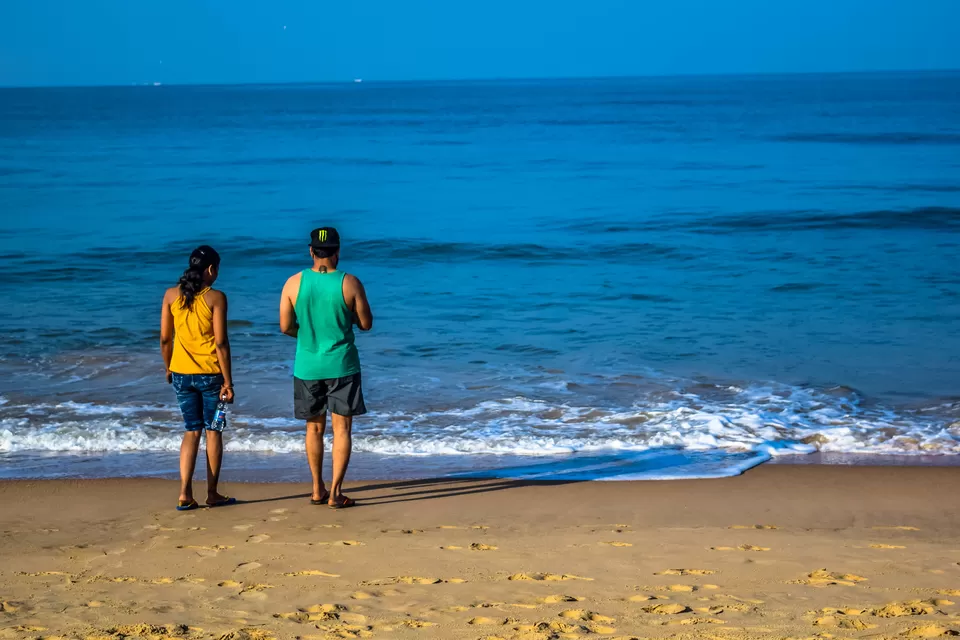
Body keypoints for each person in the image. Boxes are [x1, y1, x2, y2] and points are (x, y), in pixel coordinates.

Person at [280, 227, 373, 509]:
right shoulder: (350, 283)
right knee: (342, 429)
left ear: (311, 251)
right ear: (337, 252)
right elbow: (366, 323)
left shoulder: (293, 283)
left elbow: (285, 327)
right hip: (342, 363)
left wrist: (307, 334)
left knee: (314, 429)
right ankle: (336, 492)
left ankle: (316, 488)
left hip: (307, 366)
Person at [160, 245, 237, 511]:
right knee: (213, 431)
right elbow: (221, 343)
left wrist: (168, 367)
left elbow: (164, 339)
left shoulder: (171, 295)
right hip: (210, 376)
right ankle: (212, 493)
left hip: (181, 373)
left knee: (191, 431)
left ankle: (184, 493)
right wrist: (228, 382)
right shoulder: (216, 298)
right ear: (211, 269)